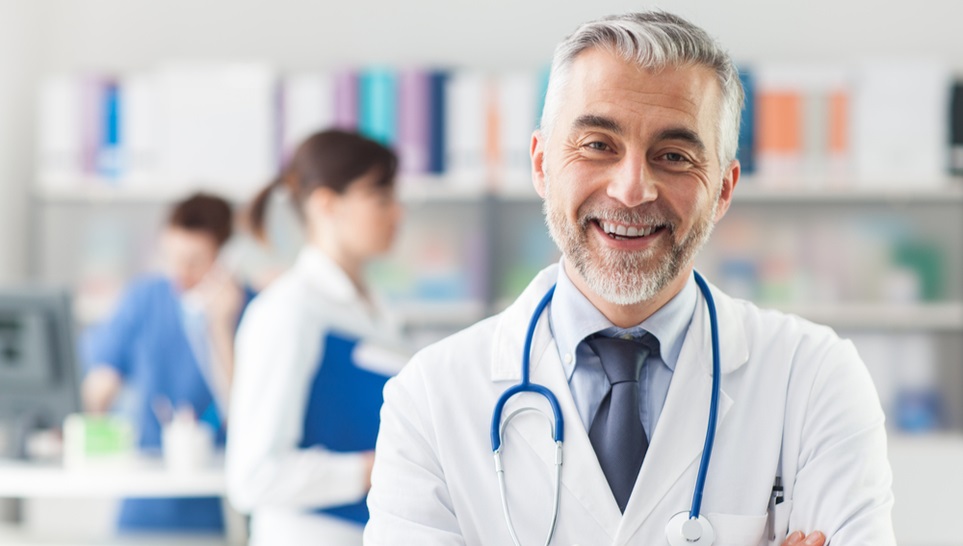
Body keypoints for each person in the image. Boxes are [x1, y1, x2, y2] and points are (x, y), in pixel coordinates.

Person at [365, 11, 895, 546]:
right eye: (598, 145)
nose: (632, 189)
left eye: (673, 156)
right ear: (542, 163)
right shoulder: (430, 398)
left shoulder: (814, 378)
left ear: (724, 190)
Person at [226, 129, 407, 545]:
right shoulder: (288, 312)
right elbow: (253, 475)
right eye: (381, 199)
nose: (398, 214)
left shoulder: (377, 308)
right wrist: (377, 468)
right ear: (326, 203)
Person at [81, 192, 250, 533]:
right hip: (147, 499)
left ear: (226, 259)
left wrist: (220, 330)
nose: (180, 273)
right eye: (172, 257)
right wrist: (99, 395)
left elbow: (246, 414)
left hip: (220, 502)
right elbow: (99, 385)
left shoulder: (253, 311)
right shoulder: (146, 298)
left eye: (195, 261)